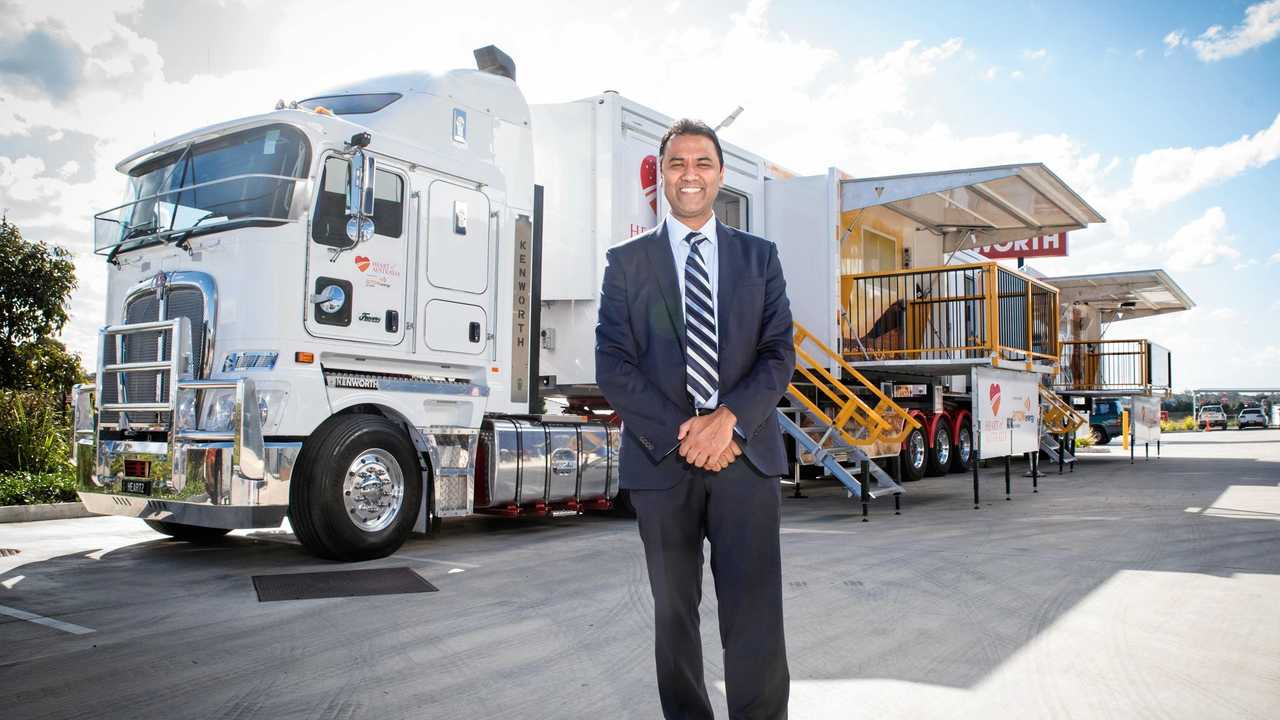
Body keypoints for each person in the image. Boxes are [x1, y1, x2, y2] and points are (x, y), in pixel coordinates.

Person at [595, 118, 795, 719]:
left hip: (746, 455)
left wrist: (727, 421)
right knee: (673, 614)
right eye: (677, 163)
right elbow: (613, 361)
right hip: (664, 462)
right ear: (661, 175)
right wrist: (688, 433)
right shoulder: (627, 262)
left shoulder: (759, 258)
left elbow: (778, 352)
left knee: (754, 612)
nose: (690, 174)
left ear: (720, 175)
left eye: (702, 163)